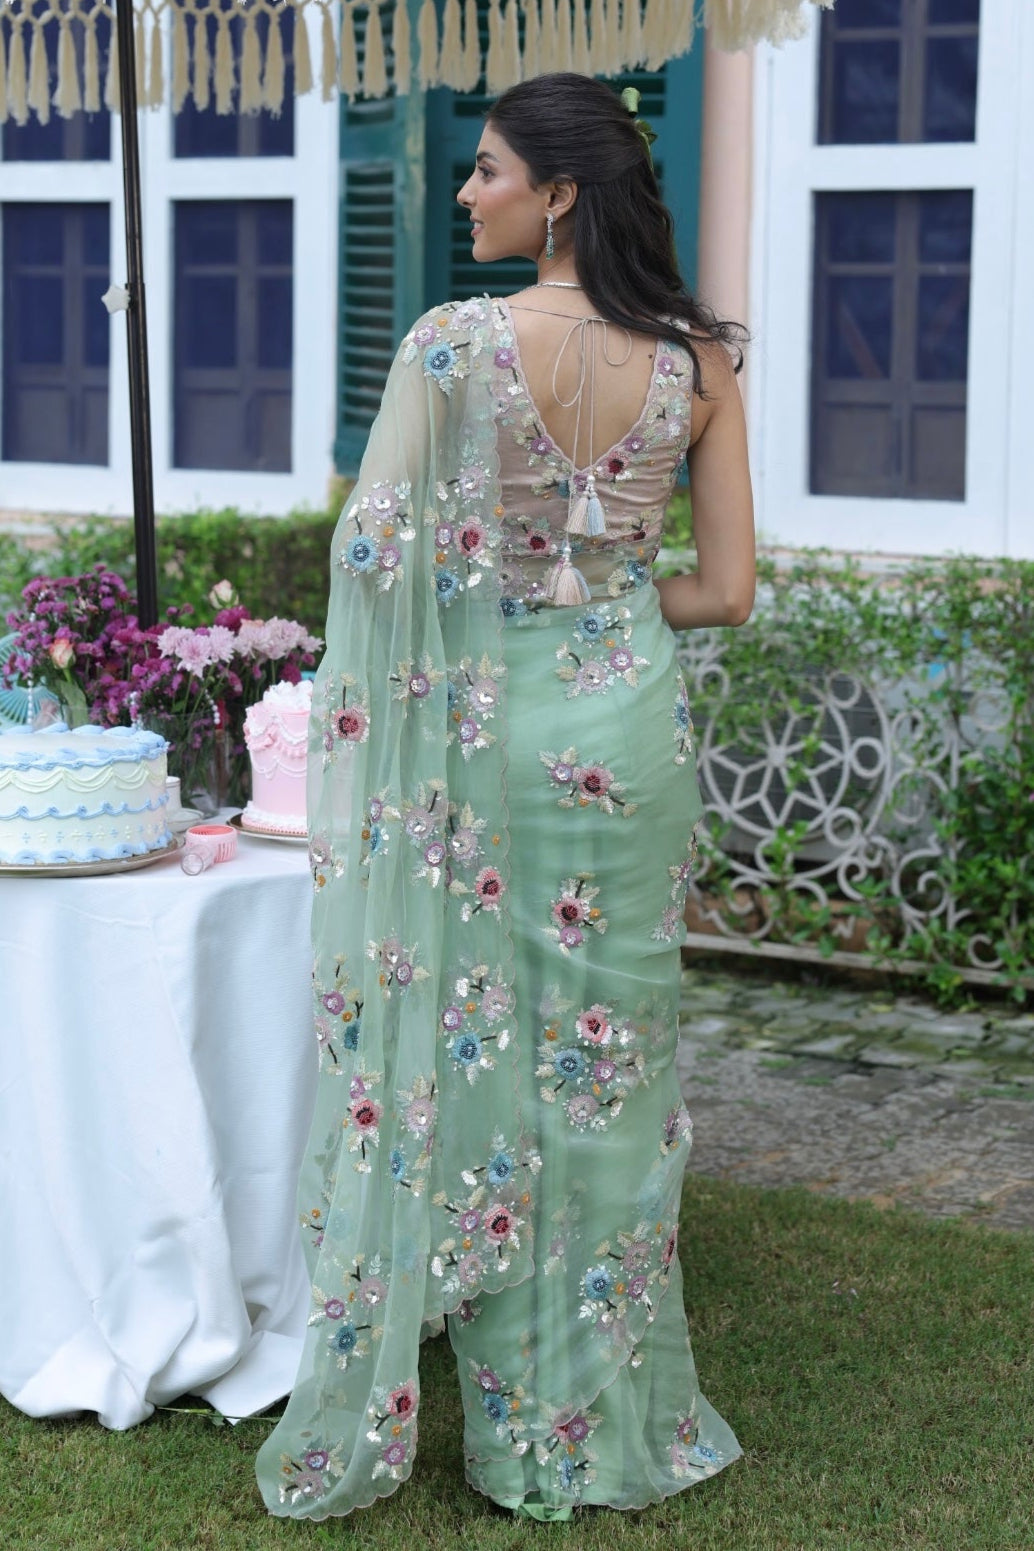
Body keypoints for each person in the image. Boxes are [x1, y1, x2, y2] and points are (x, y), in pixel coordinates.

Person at [256, 71, 755, 1521]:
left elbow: (378, 568)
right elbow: (721, 592)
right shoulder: (696, 361)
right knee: (609, 1064)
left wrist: (494, 604)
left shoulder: (453, 348)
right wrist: (604, 591)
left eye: (484, 171)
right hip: (628, 732)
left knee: (474, 1047)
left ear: (559, 193)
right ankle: (594, 1414)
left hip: (485, 739)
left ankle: (466, 1366)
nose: (463, 193)